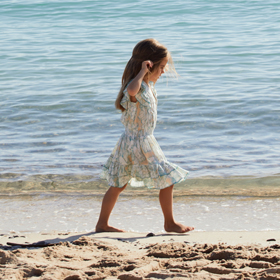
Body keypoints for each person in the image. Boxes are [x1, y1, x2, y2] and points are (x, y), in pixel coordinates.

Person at [96, 38, 194, 233]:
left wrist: (144, 74)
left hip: (136, 141)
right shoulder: (137, 87)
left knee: (119, 184)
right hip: (139, 142)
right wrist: (142, 71)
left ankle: (102, 224)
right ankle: (169, 223)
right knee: (167, 178)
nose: (164, 71)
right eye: (161, 67)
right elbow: (131, 89)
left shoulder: (148, 86)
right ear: (149, 66)